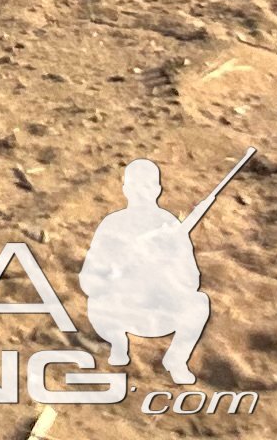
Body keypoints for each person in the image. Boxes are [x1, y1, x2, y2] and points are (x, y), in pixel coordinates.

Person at [77, 159, 214, 384]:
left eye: (148, 186)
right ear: (126, 189)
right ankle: (118, 344)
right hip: (119, 310)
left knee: (199, 303)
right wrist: (119, 270)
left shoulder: (169, 226)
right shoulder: (112, 224)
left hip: (157, 309)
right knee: (98, 303)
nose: (142, 192)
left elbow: (191, 281)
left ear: (158, 190)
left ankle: (176, 359)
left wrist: (167, 261)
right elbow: (88, 280)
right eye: (136, 186)